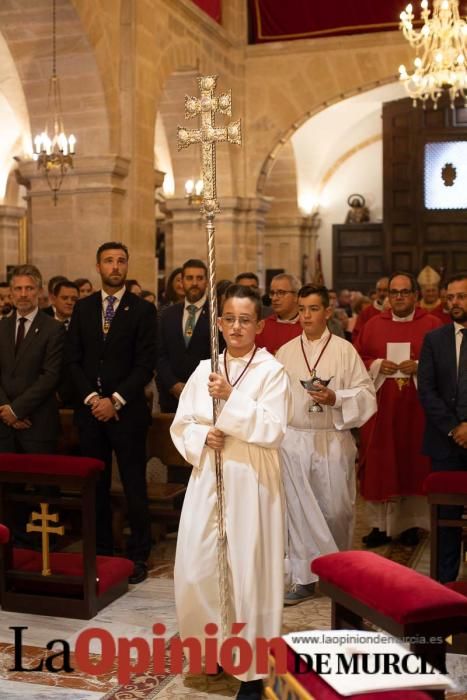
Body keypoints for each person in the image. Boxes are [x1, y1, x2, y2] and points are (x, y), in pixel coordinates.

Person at [171, 284, 291, 700]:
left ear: (259, 325)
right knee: (199, 568)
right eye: (229, 318)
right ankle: (213, 652)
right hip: (208, 482)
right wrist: (203, 435)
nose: (236, 327)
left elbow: (273, 429)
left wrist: (231, 398)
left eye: (245, 320)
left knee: (249, 572)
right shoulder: (204, 367)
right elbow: (181, 424)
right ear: (218, 322)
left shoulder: (271, 371)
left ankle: (255, 673)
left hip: (251, 483)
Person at [277, 284, 376, 604]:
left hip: (332, 439)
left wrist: (336, 398)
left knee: (336, 511)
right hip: (294, 440)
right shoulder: (286, 351)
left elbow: (366, 395)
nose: (306, 315)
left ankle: (338, 574)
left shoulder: (344, 351)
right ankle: (304, 578)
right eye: (302, 309)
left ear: (328, 312)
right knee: (298, 513)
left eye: (313, 309)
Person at [67, 242, 157, 584]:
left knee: (135, 485)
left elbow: (145, 363)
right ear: (98, 265)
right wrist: (93, 399)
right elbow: (72, 359)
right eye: (109, 261)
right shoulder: (84, 308)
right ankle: (101, 550)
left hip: (127, 412)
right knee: (97, 485)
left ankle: (138, 555)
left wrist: (115, 400)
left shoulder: (142, 310)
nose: (115, 266)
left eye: (121, 261)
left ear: (127, 265)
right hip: (91, 413)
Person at [357, 272, 442, 548]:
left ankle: (412, 525)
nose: (399, 297)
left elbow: (447, 364)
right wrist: (377, 365)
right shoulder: (372, 325)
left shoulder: (432, 325)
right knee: (382, 466)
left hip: (417, 411)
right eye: (394, 292)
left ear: (415, 295)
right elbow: (358, 359)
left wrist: (419, 367)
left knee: (412, 464)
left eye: (405, 292)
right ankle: (379, 527)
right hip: (381, 410)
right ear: (387, 296)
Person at [418, 274, 467, 582]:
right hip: (446, 444)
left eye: (460, 297)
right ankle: (445, 589)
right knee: (446, 523)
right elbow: (426, 390)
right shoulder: (435, 339)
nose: (454, 303)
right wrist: (455, 428)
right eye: (450, 298)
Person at [0, 265, 65, 454]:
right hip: (3, 427)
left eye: (29, 288)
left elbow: (50, 377)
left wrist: (16, 411)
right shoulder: (1, 327)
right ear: (11, 293)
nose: (23, 294)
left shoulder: (54, 329)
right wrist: (5, 410)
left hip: (38, 426)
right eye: (18, 289)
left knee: (45, 483)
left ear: (39, 291)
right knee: (6, 483)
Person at [156, 259, 211, 413]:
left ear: (206, 282)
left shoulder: (216, 315)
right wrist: (173, 384)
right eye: (189, 278)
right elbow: (160, 354)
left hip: (205, 397)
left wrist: (196, 387)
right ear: (182, 281)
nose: (194, 283)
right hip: (172, 396)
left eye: (199, 278)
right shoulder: (167, 314)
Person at [256, 273, 302, 355]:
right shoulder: (263, 327)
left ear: (296, 296)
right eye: (272, 293)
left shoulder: (306, 326)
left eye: (281, 292)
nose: (274, 298)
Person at [351, 277, 389, 344]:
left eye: (385, 290)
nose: (381, 293)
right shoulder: (366, 312)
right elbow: (357, 335)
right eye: (379, 290)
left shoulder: (397, 311)